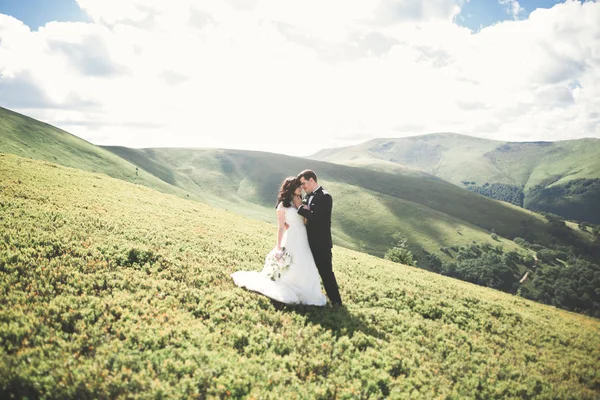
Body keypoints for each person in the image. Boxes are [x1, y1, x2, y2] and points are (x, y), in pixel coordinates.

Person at [231, 177, 326, 306]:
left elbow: (307, 221)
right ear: (291, 188)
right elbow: (281, 227)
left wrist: (300, 207)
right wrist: (278, 246)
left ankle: (307, 291)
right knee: (294, 262)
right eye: (298, 186)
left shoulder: (301, 202)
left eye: (301, 186)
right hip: (292, 236)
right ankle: (288, 285)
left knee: (307, 262)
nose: (301, 188)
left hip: (304, 236)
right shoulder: (283, 206)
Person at [297, 169, 342, 306]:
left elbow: (316, 218)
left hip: (321, 244)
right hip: (306, 243)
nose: (303, 187)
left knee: (326, 272)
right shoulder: (306, 197)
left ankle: (336, 302)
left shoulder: (325, 197)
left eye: (304, 183)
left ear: (312, 180)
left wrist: (300, 209)